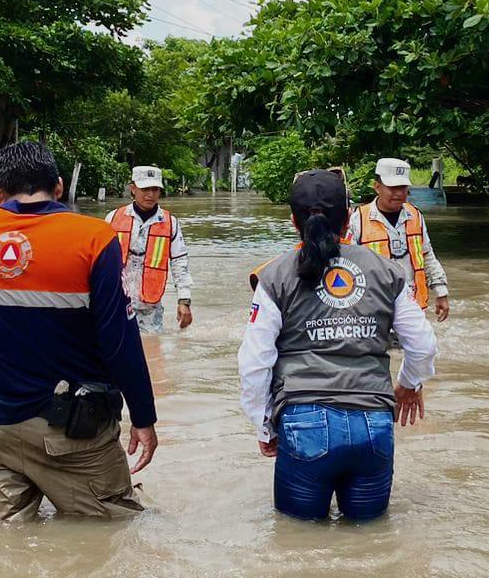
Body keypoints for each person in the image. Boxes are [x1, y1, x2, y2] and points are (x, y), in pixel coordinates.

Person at [0, 142, 157, 520]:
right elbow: (120, 342)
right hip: (71, 435)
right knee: (119, 531)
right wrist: (144, 417)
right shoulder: (95, 239)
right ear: (60, 187)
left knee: (0, 550)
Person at [239, 170, 437, 520]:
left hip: (304, 423)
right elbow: (422, 345)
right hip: (374, 423)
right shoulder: (387, 272)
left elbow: (255, 362)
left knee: (297, 546)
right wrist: (407, 385)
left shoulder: (274, 275)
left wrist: (264, 425)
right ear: (348, 218)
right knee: (370, 545)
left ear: (292, 221)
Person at [347, 157, 451, 321]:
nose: (399, 193)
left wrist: (441, 292)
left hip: (412, 305)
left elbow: (427, 255)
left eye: (403, 188)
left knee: (423, 347)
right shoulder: (357, 219)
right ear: (377, 187)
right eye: (393, 188)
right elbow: (349, 266)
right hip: (374, 308)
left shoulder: (415, 215)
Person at [104, 165, 193, 334]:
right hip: (117, 301)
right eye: (145, 189)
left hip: (150, 307)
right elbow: (98, 260)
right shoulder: (113, 218)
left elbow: (180, 262)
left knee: (151, 352)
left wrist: (184, 300)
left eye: (155, 189)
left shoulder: (170, 223)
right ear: (133, 188)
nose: (150, 195)